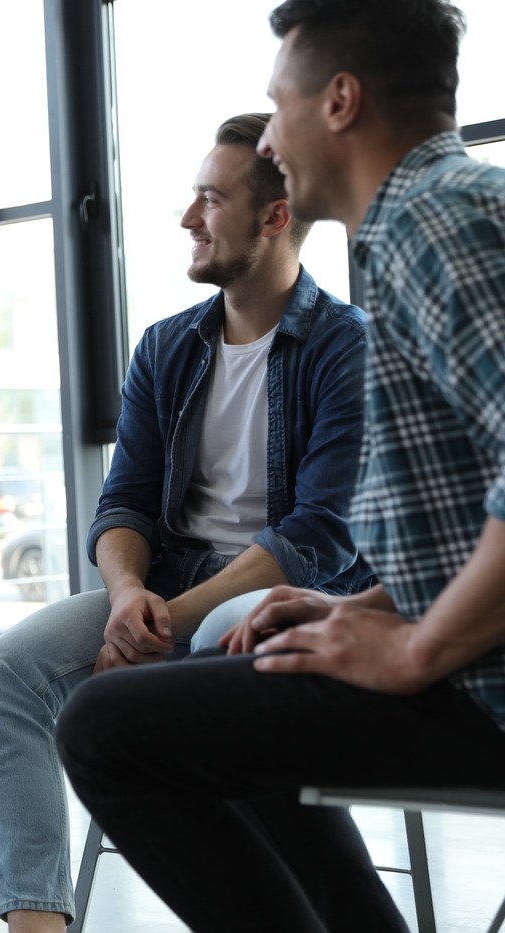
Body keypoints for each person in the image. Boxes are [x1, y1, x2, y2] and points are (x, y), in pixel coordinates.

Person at [56, 2, 505, 930]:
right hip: (472, 661)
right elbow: (469, 519)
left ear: (340, 101)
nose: (271, 135)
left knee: (105, 730)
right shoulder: (431, 215)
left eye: (276, 105)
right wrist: (363, 611)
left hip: (486, 689)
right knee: (255, 648)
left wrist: (417, 644)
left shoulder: (433, 224)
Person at [0, 112, 374, 931]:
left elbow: (317, 537)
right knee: (0, 675)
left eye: (211, 199)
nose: (188, 218)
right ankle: (36, 923)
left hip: (288, 593)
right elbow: (124, 504)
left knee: (228, 629)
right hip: (162, 589)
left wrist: (165, 620)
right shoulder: (167, 346)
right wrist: (126, 598)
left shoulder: (343, 345)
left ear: (275, 216)